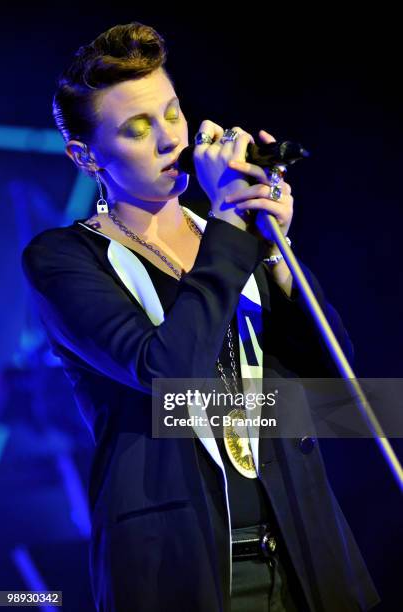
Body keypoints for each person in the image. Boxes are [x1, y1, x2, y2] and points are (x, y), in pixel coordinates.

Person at [21, 22, 380, 612]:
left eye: (172, 113)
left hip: (306, 555)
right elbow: (167, 374)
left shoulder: (232, 241)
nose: (169, 140)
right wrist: (229, 232)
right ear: (86, 156)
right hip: (177, 566)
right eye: (138, 128)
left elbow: (335, 386)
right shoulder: (63, 258)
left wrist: (273, 254)